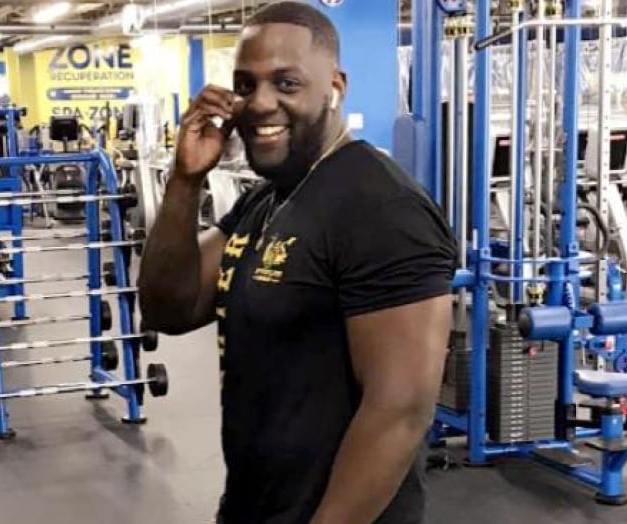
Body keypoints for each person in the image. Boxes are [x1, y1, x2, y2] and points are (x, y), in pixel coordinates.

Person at [137, 2, 457, 523]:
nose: (261, 103)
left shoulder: (382, 207)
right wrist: (185, 179)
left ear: (335, 86)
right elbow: (167, 308)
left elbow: (399, 411)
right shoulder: (267, 200)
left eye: (286, 84)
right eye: (245, 86)